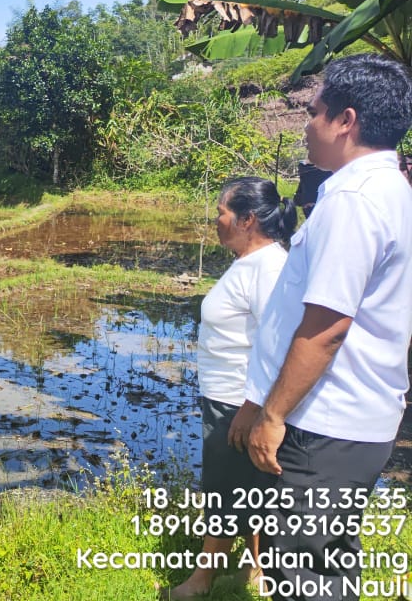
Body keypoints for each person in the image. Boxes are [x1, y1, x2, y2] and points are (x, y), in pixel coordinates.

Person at [231, 53, 412, 600]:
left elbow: (329, 324)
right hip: (353, 421)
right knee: (326, 569)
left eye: (313, 112)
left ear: (345, 120)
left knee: (304, 580)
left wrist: (274, 413)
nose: (305, 125)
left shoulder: (354, 202)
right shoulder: (391, 192)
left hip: (325, 426)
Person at [169, 177, 296, 600]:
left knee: (222, 491)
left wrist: (251, 406)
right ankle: (253, 569)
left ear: (247, 219)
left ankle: (201, 581)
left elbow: (277, 342)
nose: (216, 220)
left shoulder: (268, 268)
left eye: (222, 212)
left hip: (236, 401)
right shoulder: (251, 262)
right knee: (248, 487)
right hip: (231, 397)